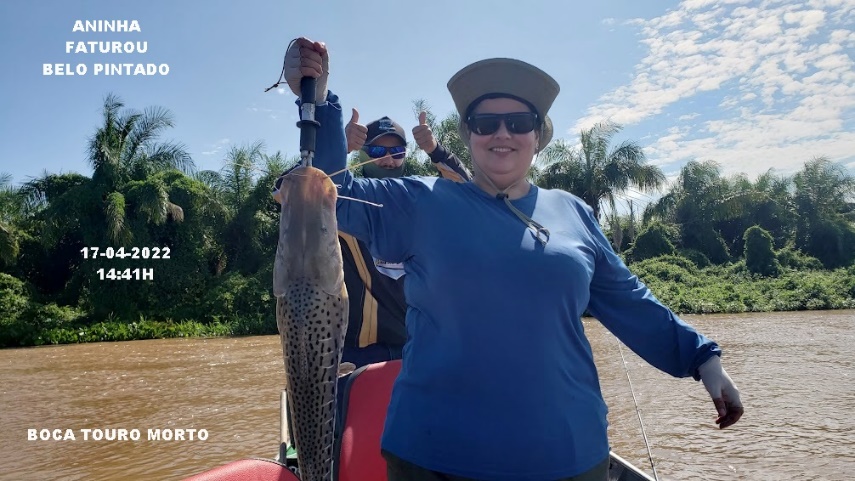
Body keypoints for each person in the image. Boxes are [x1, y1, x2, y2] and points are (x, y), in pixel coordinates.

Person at [278, 37, 744, 481]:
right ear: (467, 134)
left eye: (519, 123)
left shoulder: (573, 211)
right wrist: (319, 98)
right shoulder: (421, 202)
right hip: (433, 456)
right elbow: (332, 193)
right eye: (485, 123)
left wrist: (703, 358)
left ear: (538, 135)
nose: (503, 134)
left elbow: (630, 300)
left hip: (566, 455)